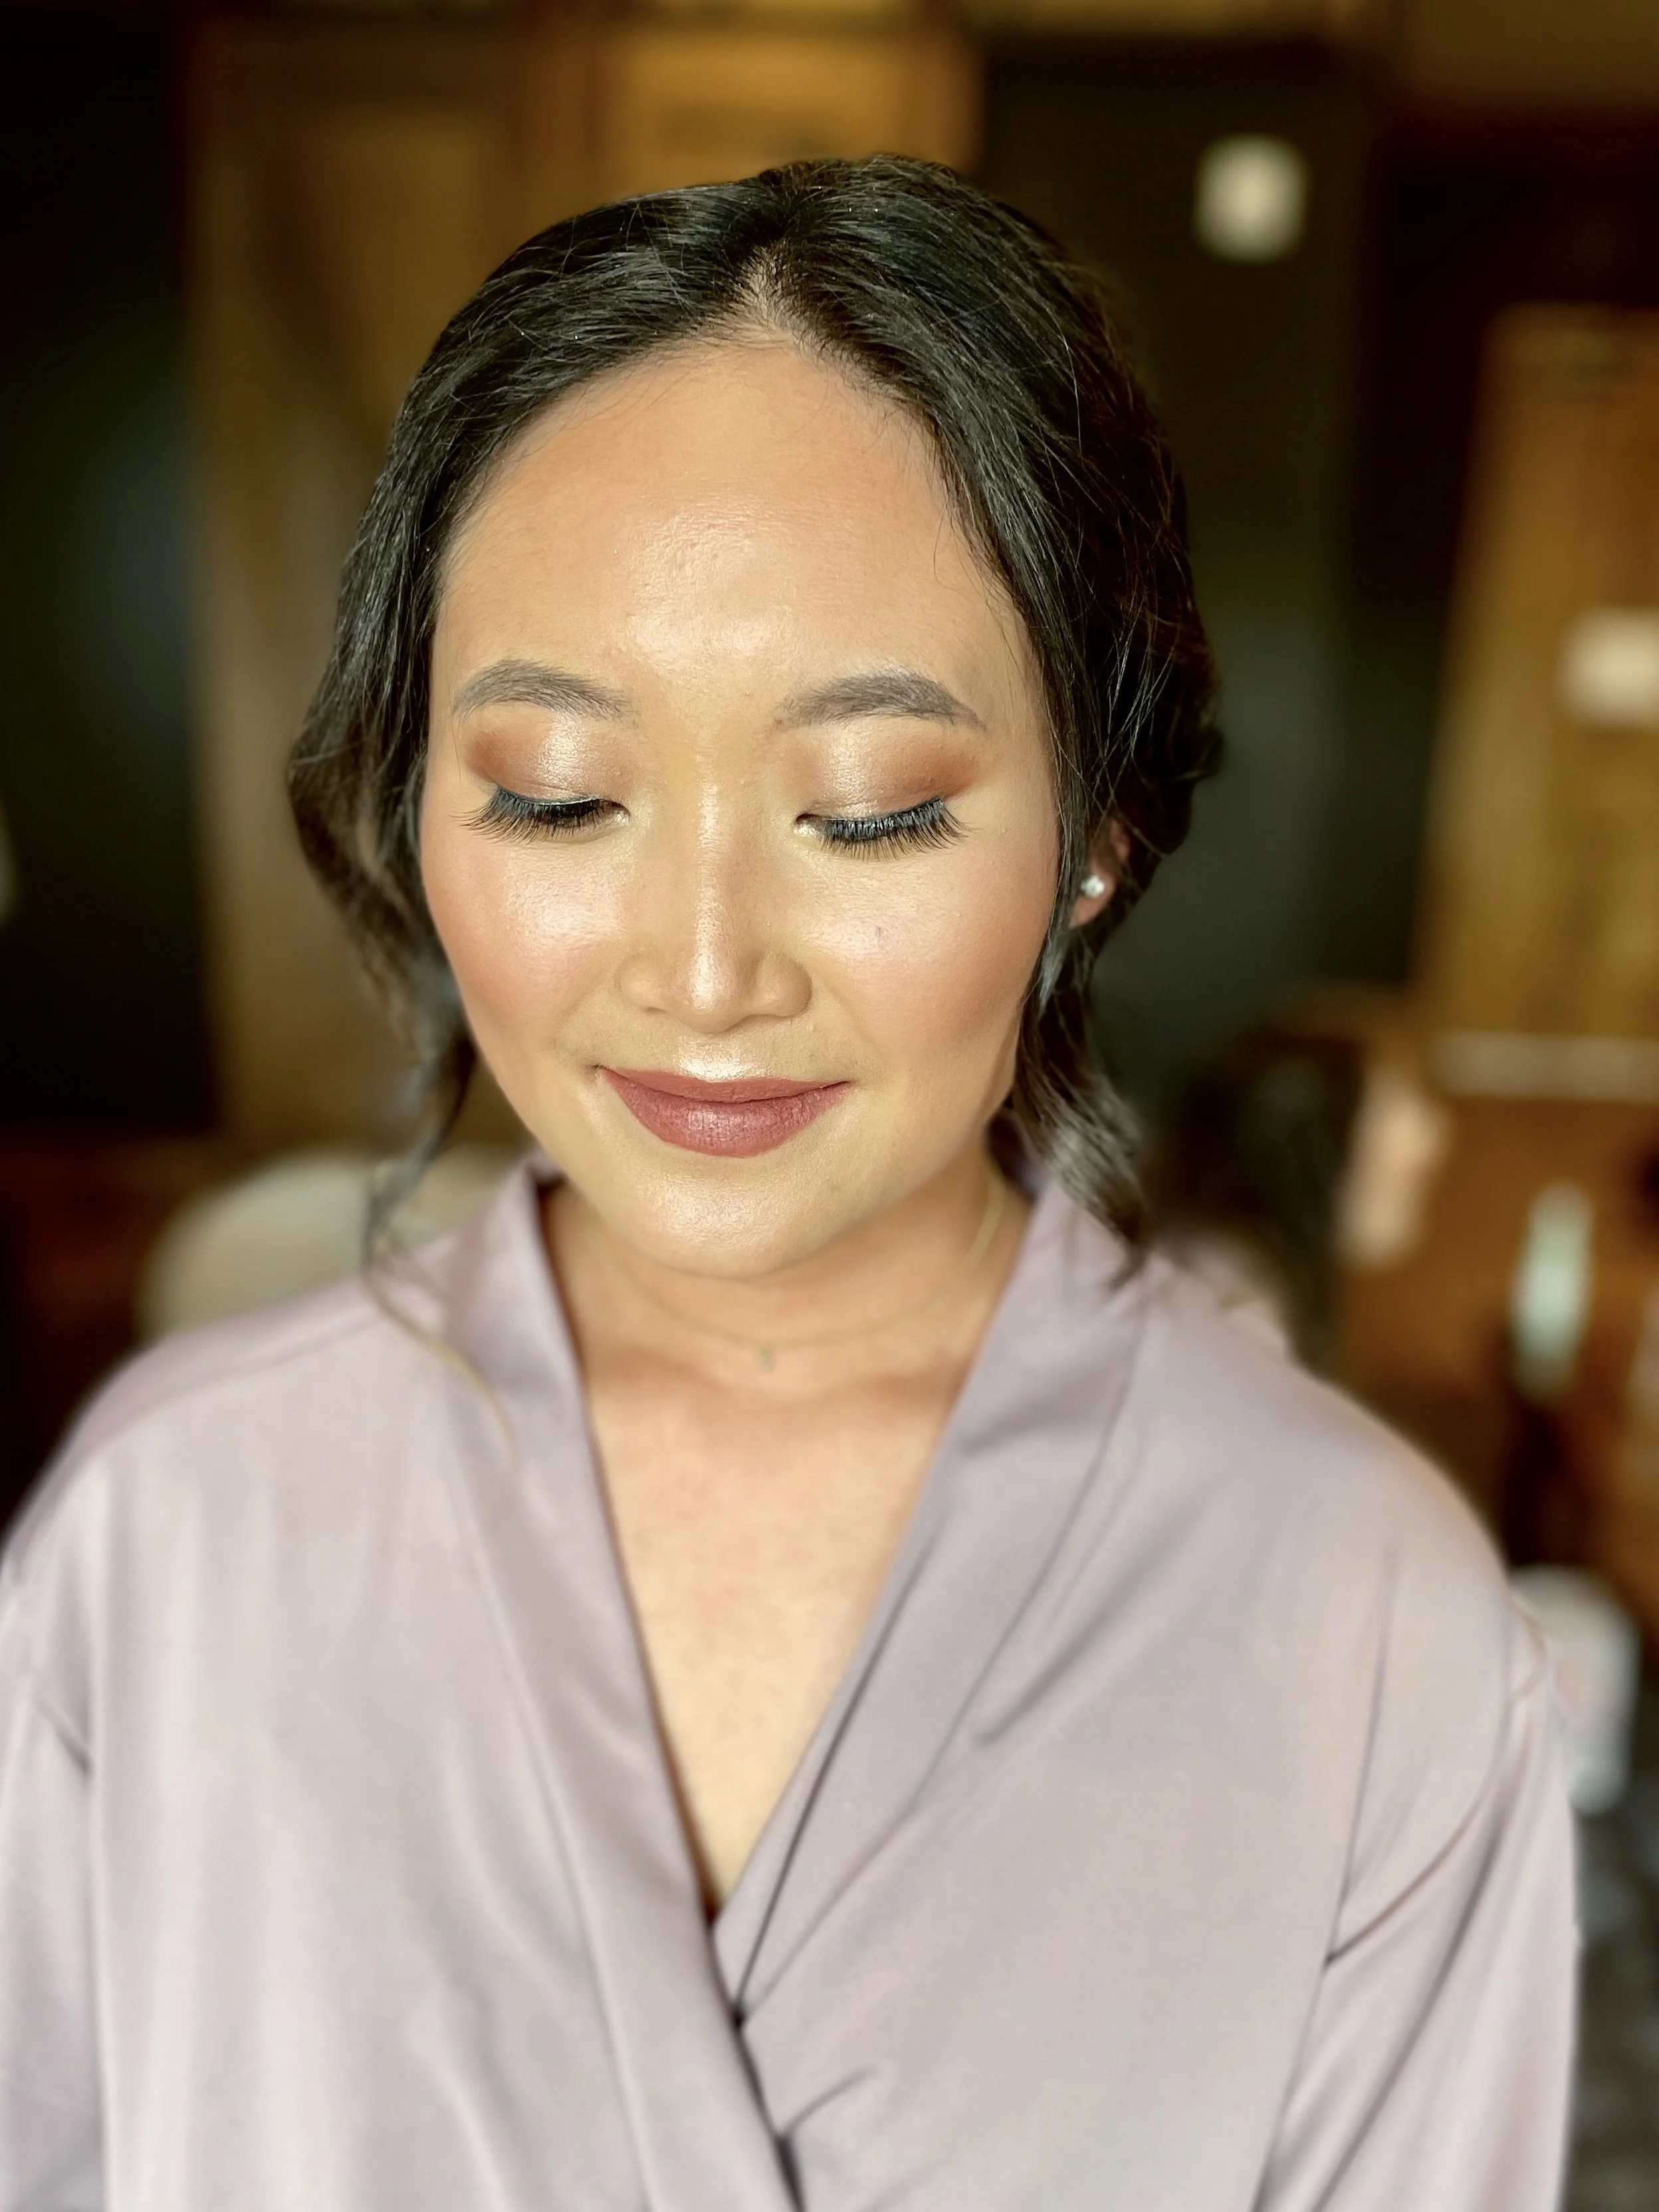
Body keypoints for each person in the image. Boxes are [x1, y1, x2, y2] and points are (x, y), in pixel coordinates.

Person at [0, 158, 1574, 2211]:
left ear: (1091, 837)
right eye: (559, 794)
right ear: (417, 802)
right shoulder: (179, 1532)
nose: (707, 967)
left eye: (871, 813)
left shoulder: (1364, 1623)